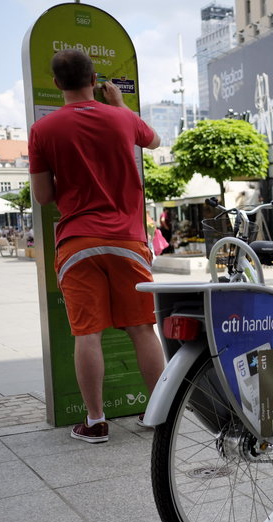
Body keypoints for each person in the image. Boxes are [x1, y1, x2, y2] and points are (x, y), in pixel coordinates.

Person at [29, 49, 163, 443]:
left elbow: (42, 196)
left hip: (77, 242)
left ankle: (95, 421)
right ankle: (158, 415)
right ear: (94, 79)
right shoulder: (122, 118)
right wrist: (120, 105)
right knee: (142, 329)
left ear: (57, 84)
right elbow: (154, 142)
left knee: (87, 335)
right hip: (127, 240)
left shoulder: (44, 130)